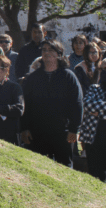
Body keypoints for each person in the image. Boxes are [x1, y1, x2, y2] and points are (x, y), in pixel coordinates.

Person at [20, 39, 83, 167]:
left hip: (63, 132)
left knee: (64, 167)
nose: (47, 52)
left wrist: (74, 129)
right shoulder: (33, 78)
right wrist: (24, 128)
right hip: (37, 132)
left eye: (51, 49)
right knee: (37, 168)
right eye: (44, 50)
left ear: (59, 54)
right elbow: (26, 104)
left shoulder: (68, 76)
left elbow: (77, 103)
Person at [81, 83, 106, 181]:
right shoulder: (95, 88)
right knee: (93, 171)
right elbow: (87, 104)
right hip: (92, 136)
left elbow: (92, 106)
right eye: (103, 69)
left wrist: (98, 112)